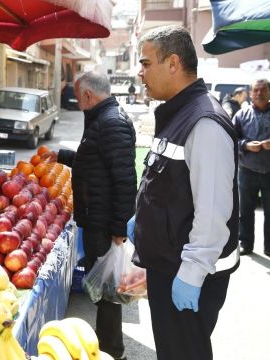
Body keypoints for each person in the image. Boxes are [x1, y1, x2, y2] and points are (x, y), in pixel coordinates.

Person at [133, 25, 239, 360]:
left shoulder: (204, 123)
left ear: (173, 63)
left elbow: (212, 211)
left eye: (146, 63)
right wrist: (143, 218)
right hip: (167, 264)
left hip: (187, 273)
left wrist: (192, 273)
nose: (140, 73)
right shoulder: (178, 113)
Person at [57, 72, 136, 360]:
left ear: (88, 96)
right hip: (97, 217)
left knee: (107, 292)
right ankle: (106, 346)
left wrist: (118, 229)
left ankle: (111, 352)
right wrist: (62, 156)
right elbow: (94, 162)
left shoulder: (111, 123)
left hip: (103, 223)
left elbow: (125, 180)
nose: (79, 104)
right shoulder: (102, 120)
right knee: (103, 288)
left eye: (78, 99)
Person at [233, 79, 270, 261]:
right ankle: (245, 243)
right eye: (255, 90)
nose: (259, 93)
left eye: (262, 90)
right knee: (244, 210)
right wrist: (246, 145)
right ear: (250, 93)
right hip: (246, 170)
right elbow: (230, 140)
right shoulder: (241, 115)